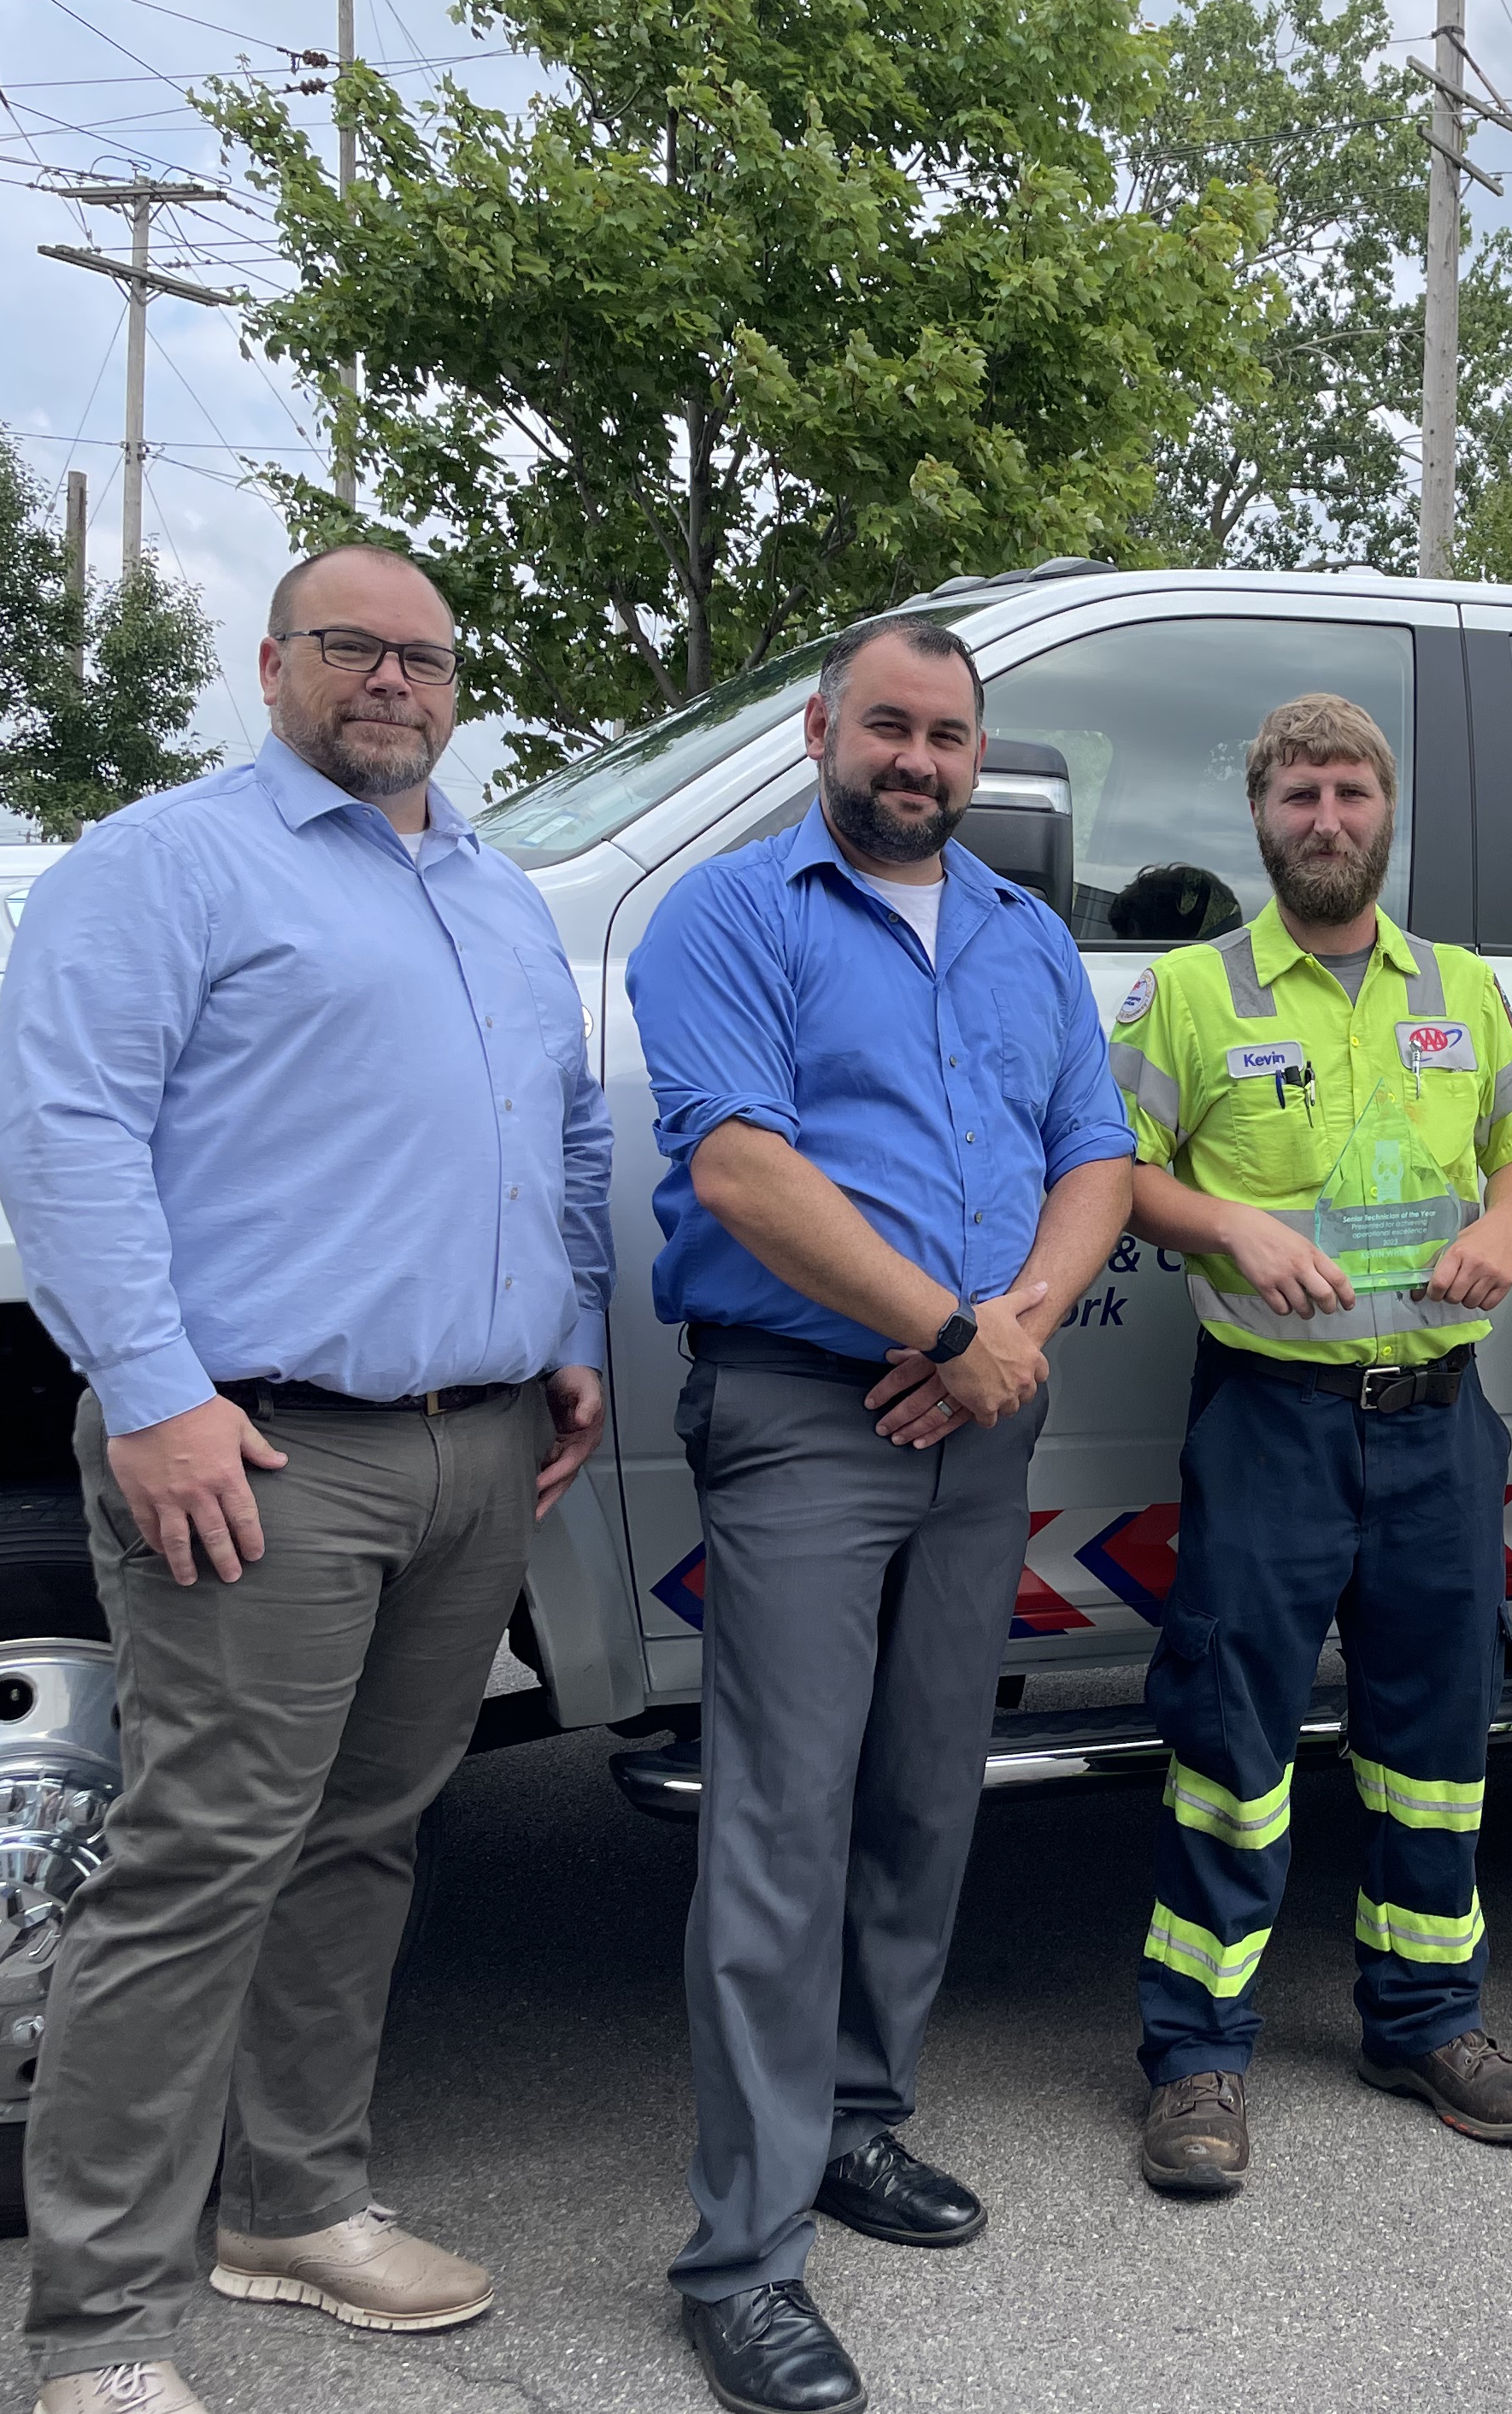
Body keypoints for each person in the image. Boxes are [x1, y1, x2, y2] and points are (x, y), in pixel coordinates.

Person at [0, 544, 613, 2414]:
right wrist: (150, 1391)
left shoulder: (495, 896)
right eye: (355, 649)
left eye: (425, 655)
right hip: (260, 1453)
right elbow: (63, 1119)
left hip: (474, 1444)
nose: (395, 683)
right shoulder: (166, 865)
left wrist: (564, 1329)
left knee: (361, 1843)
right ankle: (100, 2327)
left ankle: (294, 2206)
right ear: (274, 664)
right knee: (198, 1864)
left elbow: (560, 1134)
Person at [629, 614, 1133, 2414]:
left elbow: (1099, 1158)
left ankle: (854, 2120)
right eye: (888, 728)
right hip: (805, 1414)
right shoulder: (732, 916)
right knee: (780, 1819)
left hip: (980, 1411)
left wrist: (1005, 1334)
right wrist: (933, 1325)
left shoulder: (1021, 935)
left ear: (978, 759)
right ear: (824, 731)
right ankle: (742, 2260)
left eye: (949, 738)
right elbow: (741, 1164)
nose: (918, 763)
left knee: (925, 1793)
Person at [1108, 694, 1512, 2197]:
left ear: (1388, 810)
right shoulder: (1193, 994)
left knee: (1436, 1751)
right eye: (1298, 794)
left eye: (1351, 791)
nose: (1327, 819)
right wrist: (1228, 1222)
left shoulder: (1464, 989)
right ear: (1260, 819)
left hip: (1439, 1422)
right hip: (1272, 1426)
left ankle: (1425, 2019)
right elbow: (1113, 1173)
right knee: (1231, 1747)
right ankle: (1196, 2054)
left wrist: (1506, 1226)